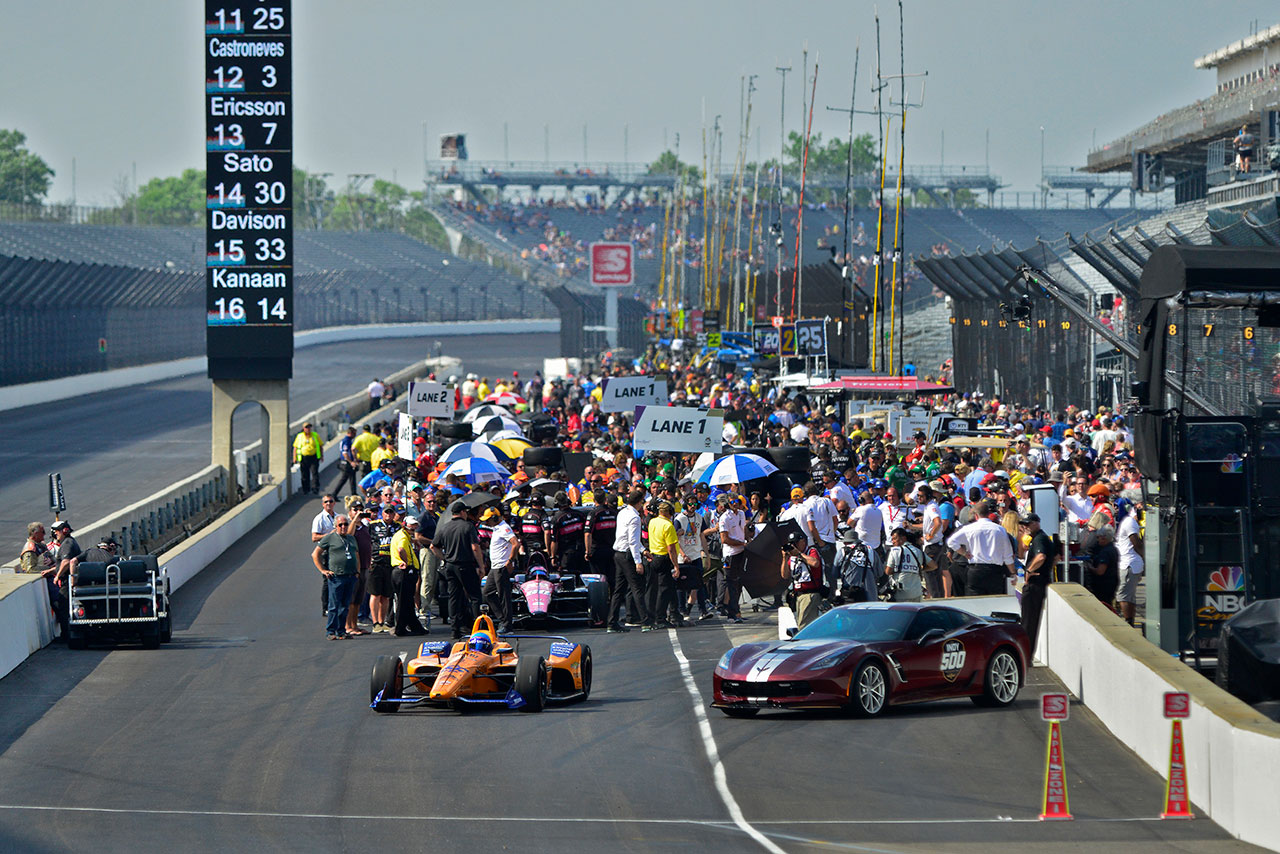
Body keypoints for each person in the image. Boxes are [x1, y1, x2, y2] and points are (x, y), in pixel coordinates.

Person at [431, 501, 486, 639]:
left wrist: (444, 558)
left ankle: (455, 629)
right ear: (462, 512)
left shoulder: (445, 527)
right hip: (465, 564)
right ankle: (476, 627)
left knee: (454, 597)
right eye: (466, 512)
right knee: (474, 596)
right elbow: (475, 547)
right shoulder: (468, 526)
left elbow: (433, 546)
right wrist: (481, 565)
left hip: (450, 565)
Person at [945, 501, 1015, 595]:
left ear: (976, 516)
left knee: (975, 604)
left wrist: (964, 553)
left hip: (976, 570)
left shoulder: (969, 529)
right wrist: (1013, 573)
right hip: (995, 572)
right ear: (989, 514)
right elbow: (1008, 556)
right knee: (995, 603)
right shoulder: (999, 529)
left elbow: (951, 542)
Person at [312, 514, 359, 640]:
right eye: (340, 525)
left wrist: (357, 571)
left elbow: (356, 554)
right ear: (336, 526)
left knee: (345, 605)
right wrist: (323, 570)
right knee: (334, 605)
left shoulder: (351, 539)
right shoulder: (330, 538)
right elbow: (315, 554)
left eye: (345, 524)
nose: (343, 527)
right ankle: (331, 631)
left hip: (350, 576)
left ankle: (341, 630)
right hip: (337, 576)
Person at [609, 488, 649, 632]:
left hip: (618, 553)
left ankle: (611, 622)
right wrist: (638, 561)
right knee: (637, 587)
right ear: (639, 502)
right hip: (627, 555)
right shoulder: (635, 517)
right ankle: (645, 621)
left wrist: (643, 551)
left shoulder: (622, 512)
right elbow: (633, 541)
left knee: (618, 590)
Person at [646, 500, 684, 628]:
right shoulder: (668, 526)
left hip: (654, 556)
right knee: (664, 590)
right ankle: (660, 618)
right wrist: (676, 566)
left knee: (666, 588)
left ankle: (674, 613)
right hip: (664, 558)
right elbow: (671, 548)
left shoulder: (653, 522)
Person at [1019, 513, 1054, 646]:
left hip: (1035, 584)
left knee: (1028, 623)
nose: (1026, 527)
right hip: (1039, 582)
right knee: (1030, 623)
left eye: (1028, 524)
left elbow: (1041, 557)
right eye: (1024, 524)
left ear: (1036, 523)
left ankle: (1026, 655)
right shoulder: (1040, 538)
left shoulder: (1040, 539)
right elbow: (1055, 557)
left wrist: (1029, 570)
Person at [483, 506, 520, 632]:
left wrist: (510, 561)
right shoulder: (497, 529)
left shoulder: (504, 528)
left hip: (502, 566)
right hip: (495, 567)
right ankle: (502, 619)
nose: (486, 522)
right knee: (487, 592)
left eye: (488, 520)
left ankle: (507, 624)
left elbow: (515, 543)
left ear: (494, 518)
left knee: (504, 596)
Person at [390, 516, 428, 636]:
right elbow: (401, 549)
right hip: (403, 571)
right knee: (403, 601)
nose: (413, 527)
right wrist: (406, 562)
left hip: (403, 571)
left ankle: (414, 625)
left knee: (407, 601)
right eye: (411, 525)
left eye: (415, 525)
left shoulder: (403, 535)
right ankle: (400, 628)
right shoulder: (402, 536)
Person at [717, 493, 750, 623]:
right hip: (729, 554)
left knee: (739, 582)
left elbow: (743, 531)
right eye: (732, 502)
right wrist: (741, 543)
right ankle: (733, 612)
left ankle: (736, 611)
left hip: (741, 552)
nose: (735, 504)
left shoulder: (741, 514)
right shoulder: (724, 518)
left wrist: (747, 539)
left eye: (736, 501)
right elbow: (724, 539)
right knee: (731, 583)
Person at [780, 528, 823, 629]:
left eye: (795, 543)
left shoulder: (811, 551)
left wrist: (799, 554)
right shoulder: (792, 557)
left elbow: (815, 563)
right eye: (791, 544)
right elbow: (784, 575)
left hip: (810, 594)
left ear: (803, 541)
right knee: (802, 623)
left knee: (803, 626)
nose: (793, 546)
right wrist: (784, 558)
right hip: (798, 595)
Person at [366, 505, 398, 632]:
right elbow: (366, 542)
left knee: (386, 595)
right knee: (375, 594)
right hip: (376, 564)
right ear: (382, 513)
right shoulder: (373, 525)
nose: (389, 515)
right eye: (386, 512)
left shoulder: (398, 526)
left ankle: (382, 621)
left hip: (390, 564)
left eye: (391, 512)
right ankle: (375, 623)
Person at [1115, 501, 1144, 626]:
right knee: (1128, 596)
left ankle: (1128, 623)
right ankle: (1130, 621)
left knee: (1123, 596)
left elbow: (1136, 543)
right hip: (1129, 564)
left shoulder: (1130, 522)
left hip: (1129, 564)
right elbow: (1135, 542)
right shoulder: (1130, 522)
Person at [311, 494, 337, 617]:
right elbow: (314, 537)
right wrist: (329, 535)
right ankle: (325, 607)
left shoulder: (337, 517)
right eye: (326, 502)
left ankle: (335, 604)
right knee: (327, 579)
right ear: (323, 504)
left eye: (330, 501)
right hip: (325, 551)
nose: (328, 504)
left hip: (336, 551)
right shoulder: (319, 518)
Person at [884, 527, 925, 602]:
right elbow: (933, 565)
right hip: (917, 592)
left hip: (901, 593)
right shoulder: (917, 551)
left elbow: (888, 571)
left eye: (894, 538)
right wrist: (917, 568)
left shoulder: (894, 551)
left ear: (903, 538)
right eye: (892, 539)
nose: (893, 542)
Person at [1086, 525, 1121, 610]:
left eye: (1098, 537)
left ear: (1104, 538)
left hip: (1103, 585)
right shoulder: (1113, 549)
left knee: (1103, 606)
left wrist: (1090, 567)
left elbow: (1100, 571)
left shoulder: (1105, 552)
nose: (1097, 540)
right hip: (1112, 582)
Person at [293, 422, 324, 495]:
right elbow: (295, 447)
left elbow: (320, 445)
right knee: (304, 474)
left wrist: (322, 456)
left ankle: (315, 488)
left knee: (314, 473)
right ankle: (306, 489)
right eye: (306, 427)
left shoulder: (315, 435)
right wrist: (294, 457)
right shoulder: (300, 436)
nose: (308, 429)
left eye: (309, 427)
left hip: (313, 457)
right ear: (303, 429)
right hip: (303, 458)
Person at [334, 426, 360, 497]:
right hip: (346, 463)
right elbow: (344, 453)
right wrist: (351, 462)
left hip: (347, 462)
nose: (355, 435)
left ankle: (354, 494)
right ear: (350, 433)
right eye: (354, 433)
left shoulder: (348, 440)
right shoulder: (346, 441)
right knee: (344, 479)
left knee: (352, 478)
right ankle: (334, 494)